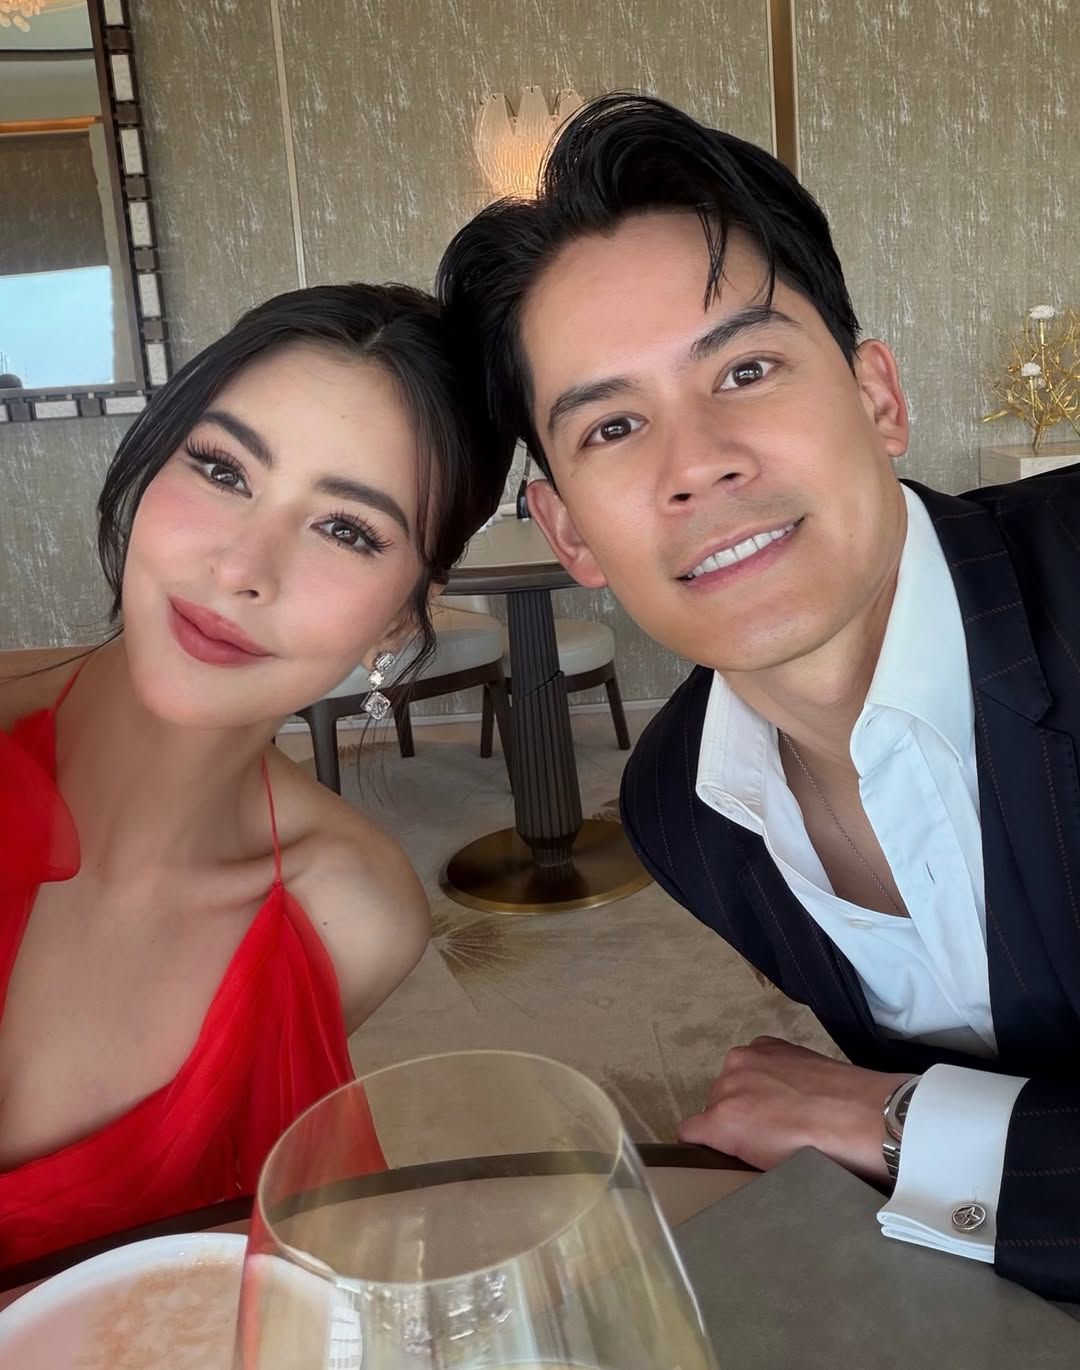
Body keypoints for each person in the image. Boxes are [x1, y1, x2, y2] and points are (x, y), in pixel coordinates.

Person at [437, 93, 1080, 1301]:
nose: (697, 463)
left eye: (745, 367)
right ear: (571, 534)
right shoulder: (680, 808)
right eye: (613, 424)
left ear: (877, 398)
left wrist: (895, 1119)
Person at [0, 283, 512, 1268]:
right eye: (222, 468)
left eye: (347, 528)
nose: (242, 568)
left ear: (400, 618)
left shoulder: (349, 917)